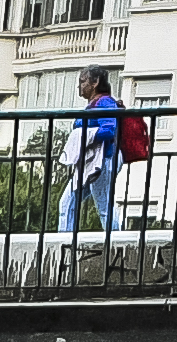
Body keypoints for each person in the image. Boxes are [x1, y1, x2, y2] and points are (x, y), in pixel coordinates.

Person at [54, 69, 128, 240]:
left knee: (103, 205)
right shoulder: (97, 104)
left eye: (83, 81)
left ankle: (117, 242)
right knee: (68, 202)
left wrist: (86, 135)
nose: (79, 86)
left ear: (94, 83)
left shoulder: (104, 103)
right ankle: (64, 241)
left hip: (102, 160)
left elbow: (109, 129)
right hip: (91, 162)